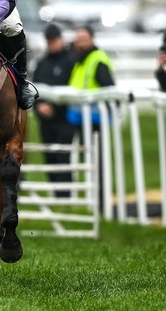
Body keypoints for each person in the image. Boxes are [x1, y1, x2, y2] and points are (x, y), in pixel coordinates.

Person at [67, 26, 115, 211]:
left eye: (83, 39)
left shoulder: (97, 60)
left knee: (98, 163)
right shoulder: (80, 60)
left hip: (96, 121)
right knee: (87, 161)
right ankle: (90, 202)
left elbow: (108, 88)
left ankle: (100, 204)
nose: (79, 43)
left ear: (92, 39)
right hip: (81, 119)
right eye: (77, 39)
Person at [31, 24, 75, 197]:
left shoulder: (70, 62)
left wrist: (54, 106)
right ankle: (56, 193)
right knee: (49, 155)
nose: (51, 43)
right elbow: (34, 89)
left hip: (64, 118)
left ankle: (65, 194)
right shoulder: (43, 63)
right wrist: (39, 106)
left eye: (54, 39)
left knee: (63, 156)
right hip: (45, 119)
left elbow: (72, 86)